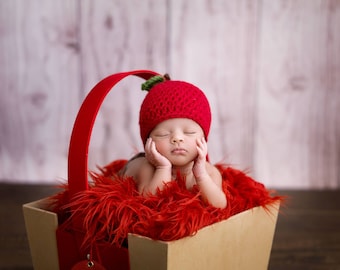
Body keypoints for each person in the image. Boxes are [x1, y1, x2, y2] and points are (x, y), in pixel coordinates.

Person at [122, 75, 227, 209]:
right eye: (163, 134)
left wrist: (201, 176)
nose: (177, 138)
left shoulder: (209, 171)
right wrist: (163, 168)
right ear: (148, 141)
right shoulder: (146, 167)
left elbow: (220, 205)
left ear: (204, 139)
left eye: (189, 132)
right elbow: (149, 203)